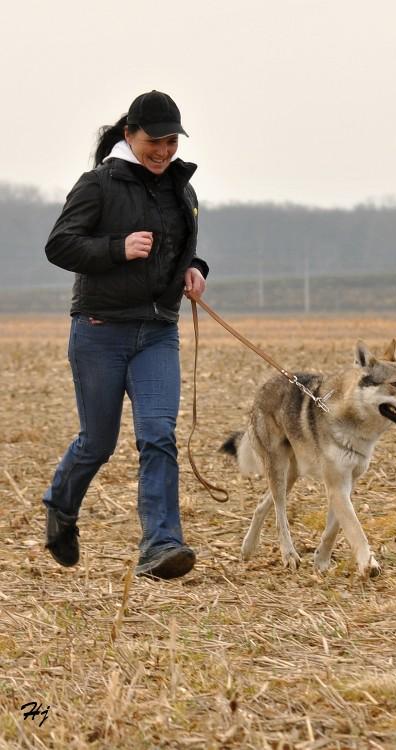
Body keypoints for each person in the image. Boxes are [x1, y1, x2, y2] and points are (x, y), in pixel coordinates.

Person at [43, 90, 207, 580]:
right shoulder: (98, 184)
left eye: (172, 141)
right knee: (98, 442)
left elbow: (182, 248)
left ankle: (160, 545)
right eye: (155, 140)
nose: (164, 150)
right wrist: (118, 248)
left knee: (158, 435)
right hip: (100, 331)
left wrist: (194, 269)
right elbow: (59, 245)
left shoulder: (184, 188)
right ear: (130, 134)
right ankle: (60, 506)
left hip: (157, 331)